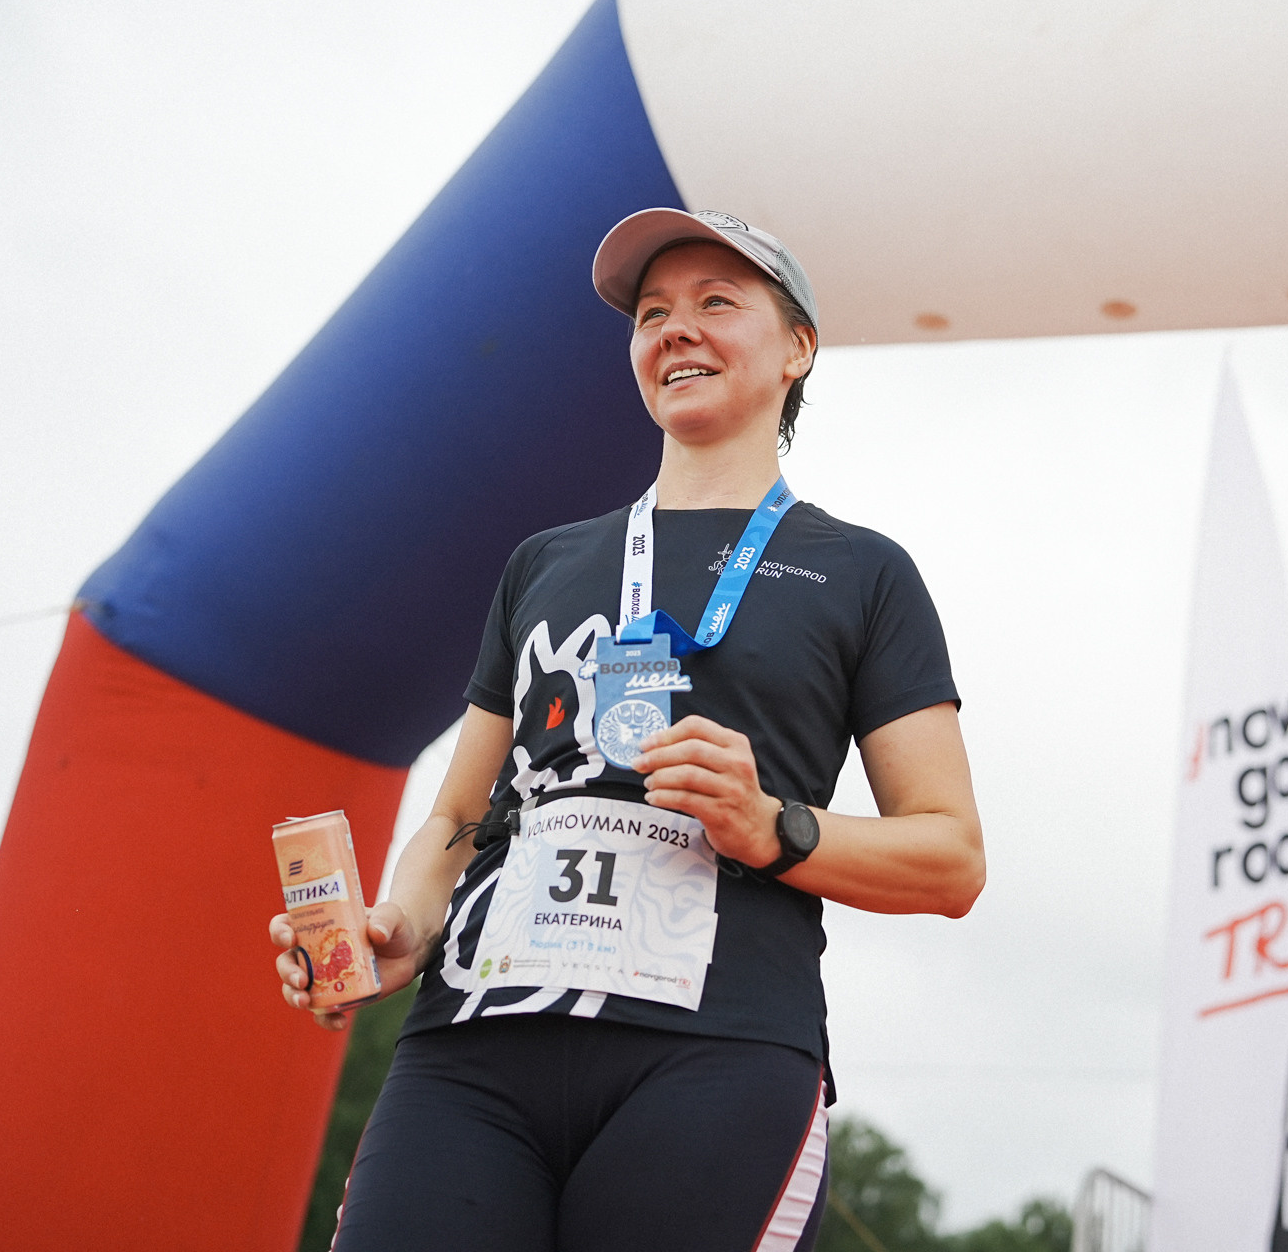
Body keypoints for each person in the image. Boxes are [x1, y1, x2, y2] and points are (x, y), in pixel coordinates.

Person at [270, 206, 985, 1252]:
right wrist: (400, 928)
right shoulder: (543, 562)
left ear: (797, 349)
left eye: (716, 303)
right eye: (652, 312)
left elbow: (951, 855)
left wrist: (772, 826)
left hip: (717, 1053)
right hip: (477, 1040)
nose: (675, 328)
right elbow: (462, 813)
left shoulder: (864, 573)